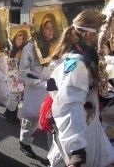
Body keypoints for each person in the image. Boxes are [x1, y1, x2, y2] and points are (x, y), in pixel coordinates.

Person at [47, 10, 114, 167]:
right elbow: (68, 105)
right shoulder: (77, 63)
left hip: (89, 127)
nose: (108, 39)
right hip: (76, 135)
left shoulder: (91, 57)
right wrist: (77, 151)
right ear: (90, 35)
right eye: (105, 34)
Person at [18, 30, 53, 159]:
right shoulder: (29, 48)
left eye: (51, 27)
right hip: (34, 88)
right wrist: (38, 82)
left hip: (52, 88)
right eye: (46, 27)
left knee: (51, 120)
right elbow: (22, 73)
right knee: (31, 117)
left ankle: (53, 156)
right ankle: (24, 142)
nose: (50, 30)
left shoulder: (57, 44)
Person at [4, 29, 29, 124]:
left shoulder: (23, 50)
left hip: (19, 76)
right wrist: (11, 62)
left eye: (22, 39)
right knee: (13, 96)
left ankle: (12, 114)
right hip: (11, 76)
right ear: (14, 39)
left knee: (18, 97)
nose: (20, 41)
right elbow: (5, 63)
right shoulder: (9, 50)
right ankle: (9, 114)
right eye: (18, 39)